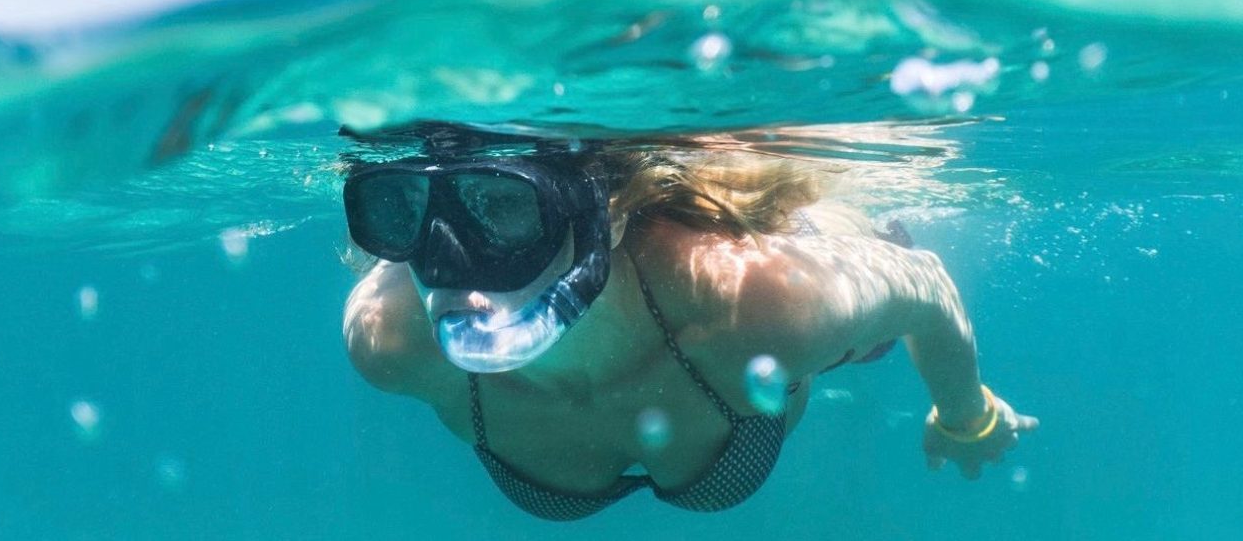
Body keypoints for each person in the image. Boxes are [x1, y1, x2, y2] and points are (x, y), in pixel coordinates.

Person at [341, 122, 1038, 519]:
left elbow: (929, 285)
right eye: (399, 213)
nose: (447, 261)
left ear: (605, 217)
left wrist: (964, 415)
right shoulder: (390, 340)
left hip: (766, 267)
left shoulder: (756, 304)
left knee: (859, 317)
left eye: (505, 208)